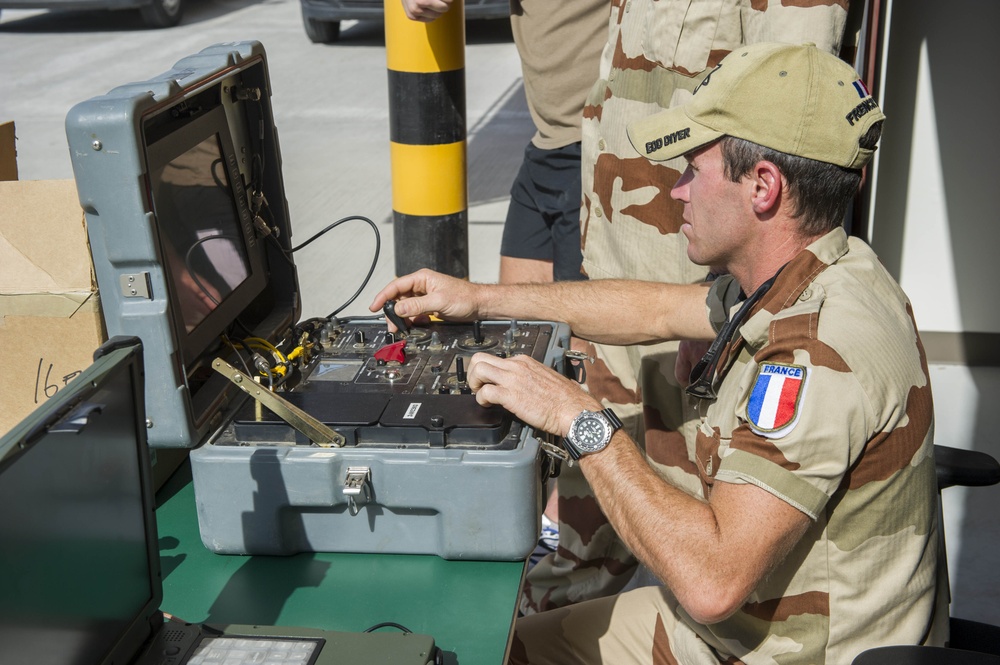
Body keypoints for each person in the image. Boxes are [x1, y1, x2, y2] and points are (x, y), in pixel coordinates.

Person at [371, 43, 945, 663]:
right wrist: (479, 298)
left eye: (695, 169)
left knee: (483, 657)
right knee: (503, 649)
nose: (677, 191)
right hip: (751, 627)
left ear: (763, 186)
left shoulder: (818, 351)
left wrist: (579, 419)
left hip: (782, 651)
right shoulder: (816, 267)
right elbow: (652, 310)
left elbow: (710, 582)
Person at [529, 0, 858, 614]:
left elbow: (793, 132)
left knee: (697, 535)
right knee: (594, 523)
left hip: (690, 294)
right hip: (627, 274)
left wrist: (720, 297)